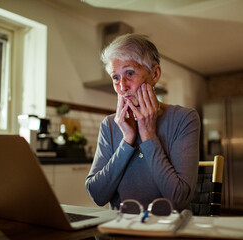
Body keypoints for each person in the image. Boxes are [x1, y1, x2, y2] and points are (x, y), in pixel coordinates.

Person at [85, 33, 200, 212]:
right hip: (118, 232)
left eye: (130, 73)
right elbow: (98, 196)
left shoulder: (184, 119)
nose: (122, 87)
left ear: (155, 74)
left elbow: (178, 199)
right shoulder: (109, 125)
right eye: (116, 77)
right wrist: (127, 140)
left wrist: (148, 135)